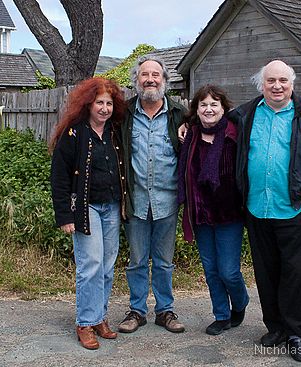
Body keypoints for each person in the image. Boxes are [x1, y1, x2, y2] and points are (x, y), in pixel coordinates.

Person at [230, 60, 301, 362]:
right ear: (261, 84)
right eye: (270, 81)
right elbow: (210, 121)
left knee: (294, 274)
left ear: (292, 84)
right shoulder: (246, 114)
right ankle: (275, 327)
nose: (277, 86)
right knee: (266, 273)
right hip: (257, 209)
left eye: (282, 81)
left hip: (294, 209)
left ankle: (295, 333)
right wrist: (188, 124)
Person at [50, 77, 127, 350]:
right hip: (86, 208)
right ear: (88, 104)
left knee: (107, 266)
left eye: (108, 103)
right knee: (90, 265)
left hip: (112, 206)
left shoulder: (115, 132)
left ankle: (99, 318)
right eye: (99, 103)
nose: (104, 108)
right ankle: (84, 322)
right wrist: (65, 216)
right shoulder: (74, 133)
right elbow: (59, 176)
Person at [117, 55, 186, 334]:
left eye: (155, 75)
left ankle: (165, 311)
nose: (150, 79)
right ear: (136, 81)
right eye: (144, 75)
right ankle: (136, 310)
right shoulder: (123, 114)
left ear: (164, 81)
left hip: (167, 200)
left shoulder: (179, 114)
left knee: (164, 260)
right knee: (136, 260)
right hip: (134, 201)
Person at [177, 85, 249, 336]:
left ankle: (240, 302)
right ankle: (221, 315)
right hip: (201, 214)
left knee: (229, 271)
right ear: (196, 110)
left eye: (214, 104)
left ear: (223, 108)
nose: (209, 109)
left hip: (230, 214)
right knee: (211, 270)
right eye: (203, 105)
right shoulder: (190, 136)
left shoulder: (235, 133)